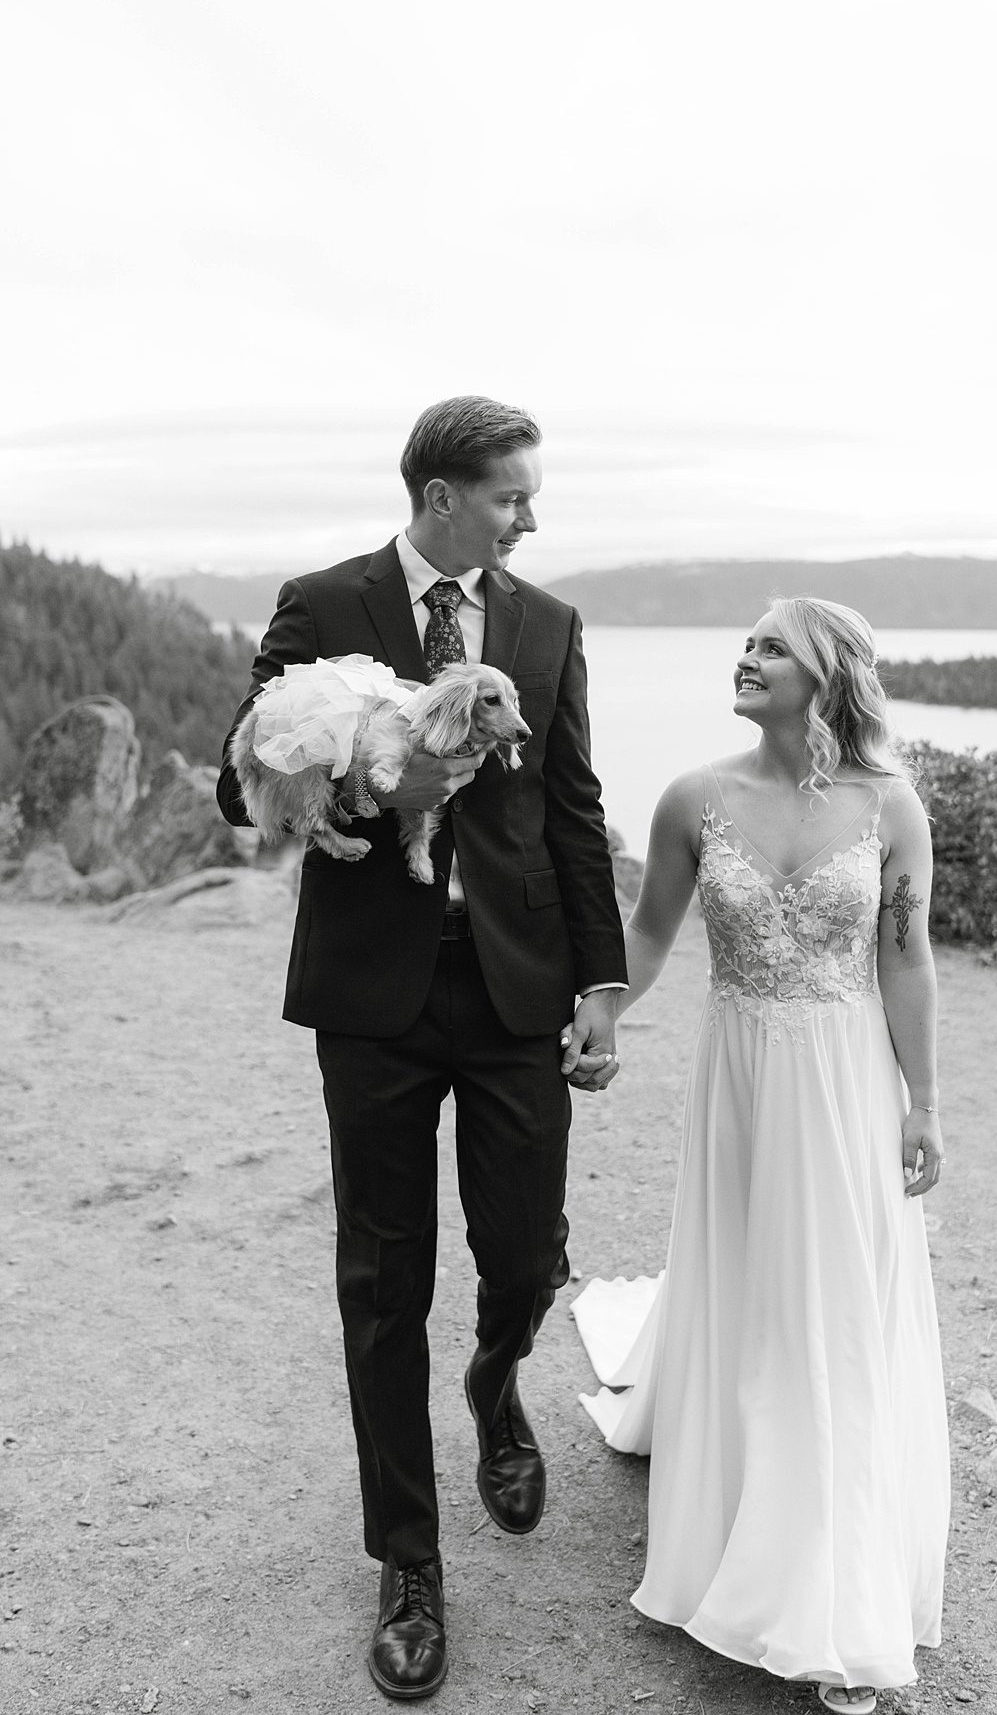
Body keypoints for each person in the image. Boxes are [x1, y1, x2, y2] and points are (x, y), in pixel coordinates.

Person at [216, 395, 627, 1702]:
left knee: (525, 1250)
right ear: (445, 493)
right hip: (373, 997)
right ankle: (408, 1565)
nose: (529, 516)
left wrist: (603, 983)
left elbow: (573, 806)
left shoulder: (551, 625)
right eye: (513, 493)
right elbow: (243, 780)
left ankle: (498, 1374)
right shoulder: (320, 601)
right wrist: (356, 782)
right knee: (384, 1281)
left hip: (518, 992)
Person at [572, 596, 950, 1713]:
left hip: (843, 1077)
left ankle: (833, 1599)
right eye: (745, 643)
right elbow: (647, 934)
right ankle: (726, 1475)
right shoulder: (697, 795)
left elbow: (909, 958)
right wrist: (604, 1016)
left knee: (830, 1306)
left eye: (771, 646)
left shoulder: (892, 805)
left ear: (827, 674)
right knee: (751, 1284)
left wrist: (923, 1100)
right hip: (740, 1074)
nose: (746, 656)